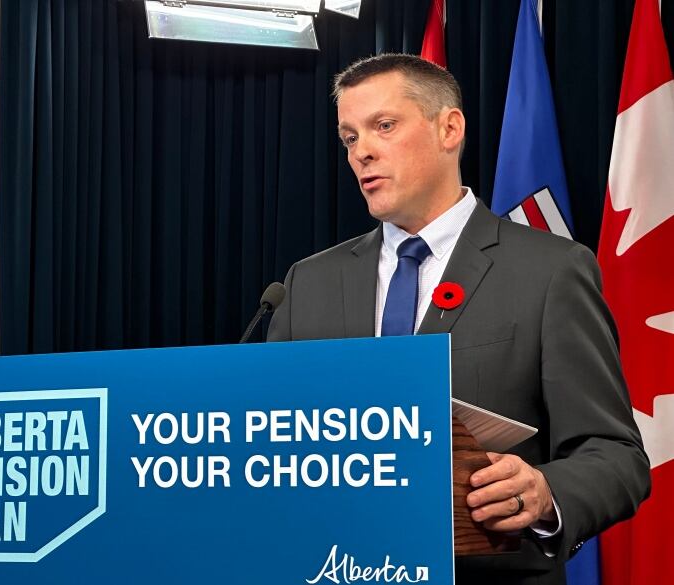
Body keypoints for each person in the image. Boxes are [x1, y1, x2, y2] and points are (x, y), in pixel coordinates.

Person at [267, 54, 650, 585]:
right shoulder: (307, 283)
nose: (363, 153)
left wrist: (545, 492)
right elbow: (271, 439)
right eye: (350, 138)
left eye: (384, 126)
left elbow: (615, 454)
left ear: (449, 128)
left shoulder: (550, 272)